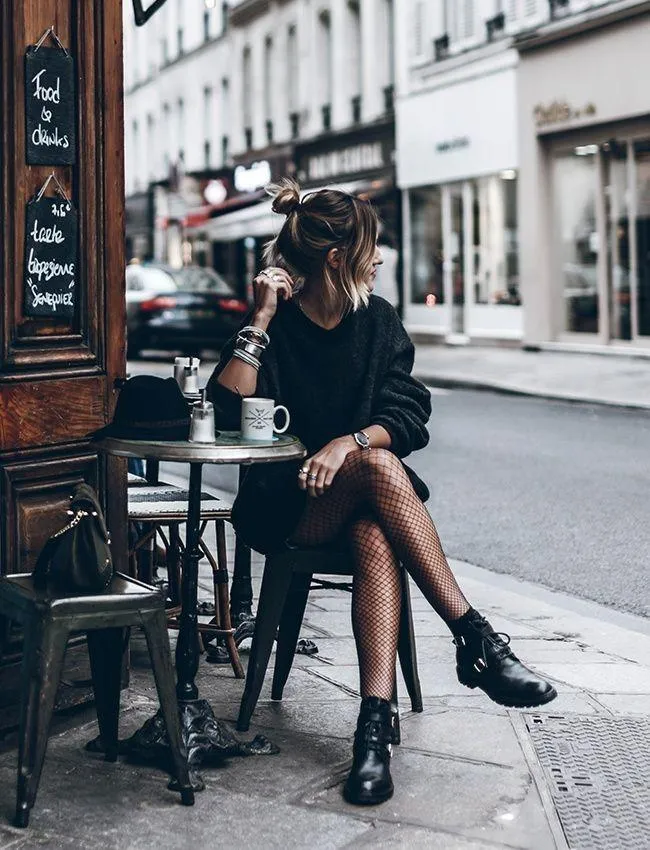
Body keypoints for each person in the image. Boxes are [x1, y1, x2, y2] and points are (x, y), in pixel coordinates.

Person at [207, 179, 556, 807]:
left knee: (373, 521)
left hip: (359, 501)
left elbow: (408, 411)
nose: (381, 256)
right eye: (372, 245)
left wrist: (348, 442)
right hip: (288, 504)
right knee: (375, 467)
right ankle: (475, 639)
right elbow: (227, 410)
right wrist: (258, 318)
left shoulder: (377, 321)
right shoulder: (278, 323)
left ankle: (373, 730)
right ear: (337, 257)